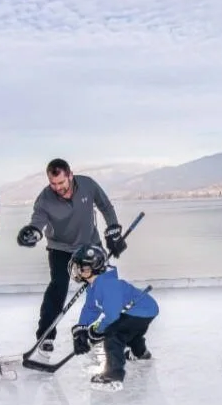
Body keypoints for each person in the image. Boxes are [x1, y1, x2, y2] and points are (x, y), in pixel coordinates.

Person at [17, 158, 127, 358]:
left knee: (106, 285)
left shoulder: (88, 185)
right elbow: (38, 221)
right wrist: (33, 233)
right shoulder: (45, 198)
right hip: (60, 248)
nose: (57, 187)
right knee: (58, 287)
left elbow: (105, 206)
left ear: (70, 175)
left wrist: (113, 229)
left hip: (90, 244)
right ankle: (46, 336)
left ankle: (114, 331)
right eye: (53, 183)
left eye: (61, 182)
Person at [66, 243, 158, 391]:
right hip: (144, 309)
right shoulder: (94, 284)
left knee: (113, 334)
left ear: (94, 267)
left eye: (81, 268)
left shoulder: (108, 285)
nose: (77, 271)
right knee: (130, 333)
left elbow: (112, 315)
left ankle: (113, 376)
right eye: (76, 267)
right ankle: (141, 353)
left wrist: (98, 331)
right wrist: (81, 328)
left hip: (140, 310)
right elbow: (90, 308)